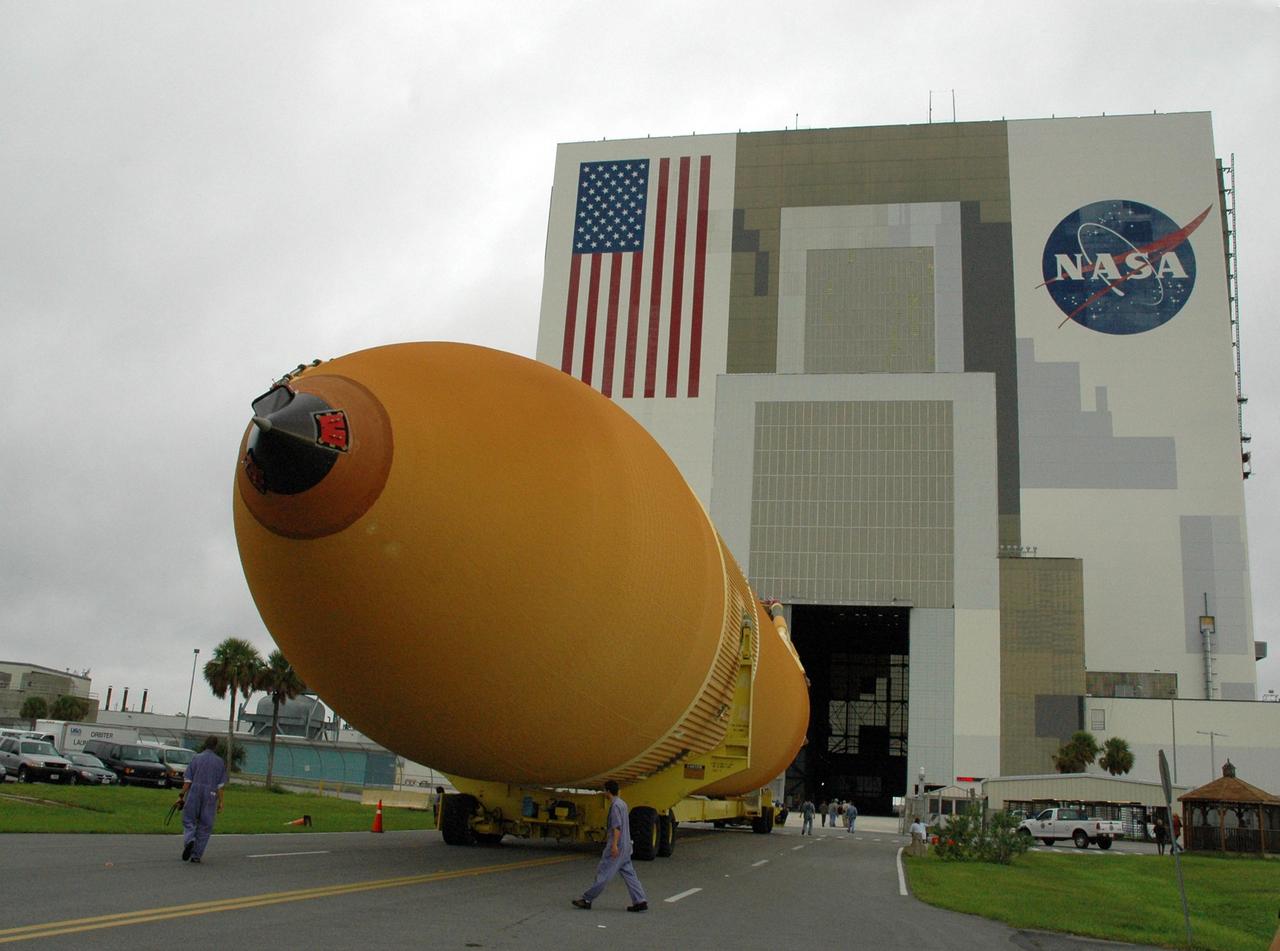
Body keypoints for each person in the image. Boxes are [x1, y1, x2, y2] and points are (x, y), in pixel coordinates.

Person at [572, 780, 648, 912]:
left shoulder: (615, 806)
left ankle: (587, 899)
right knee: (629, 873)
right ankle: (640, 900)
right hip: (626, 845)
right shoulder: (623, 804)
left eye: (604, 790)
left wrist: (613, 845)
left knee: (604, 873)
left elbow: (616, 827)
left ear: (607, 791)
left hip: (617, 845)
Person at [180, 735, 228, 864]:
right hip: (211, 794)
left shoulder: (196, 758)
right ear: (216, 746)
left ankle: (190, 839)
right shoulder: (220, 762)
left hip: (194, 791)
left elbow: (188, 780)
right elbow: (221, 785)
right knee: (205, 825)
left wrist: (181, 795)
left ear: (205, 744)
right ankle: (196, 855)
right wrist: (221, 802)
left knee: (189, 819)